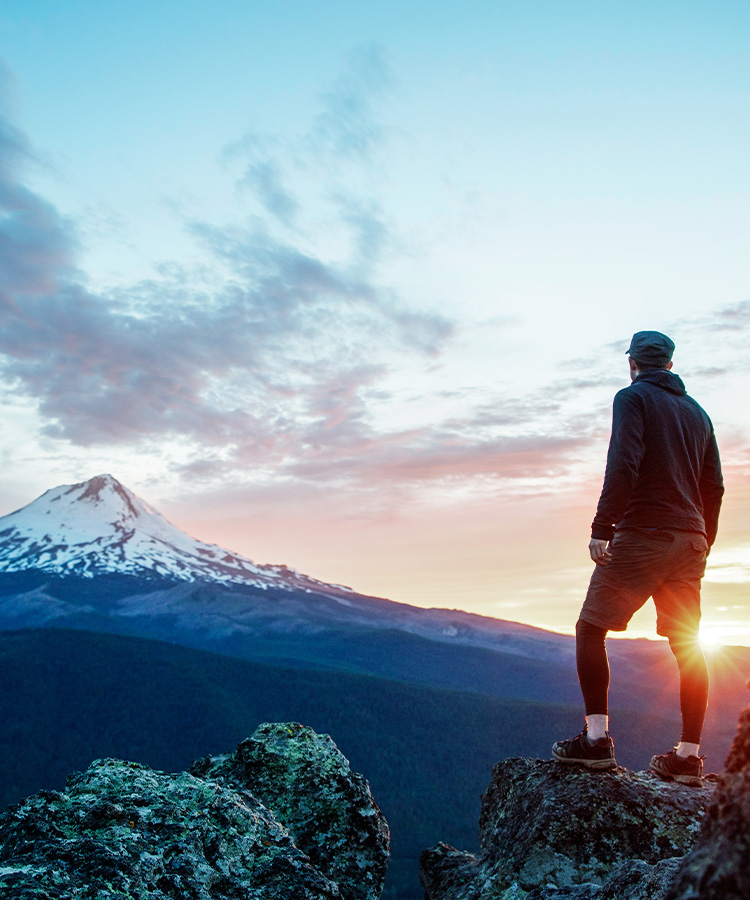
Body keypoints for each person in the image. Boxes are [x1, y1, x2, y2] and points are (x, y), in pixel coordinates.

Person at [552, 330, 724, 786]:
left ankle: (595, 742)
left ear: (633, 363)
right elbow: (715, 487)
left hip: (644, 530)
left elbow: (623, 462)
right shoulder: (698, 413)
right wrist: (704, 539)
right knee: (688, 644)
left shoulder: (633, 398)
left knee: (590, 627)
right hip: (690, 541)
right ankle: (688, 757)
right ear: (669, 364)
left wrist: (601, 528)